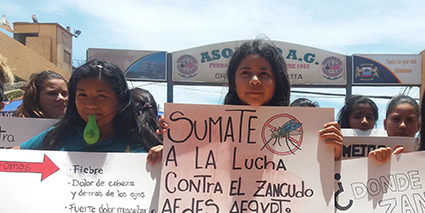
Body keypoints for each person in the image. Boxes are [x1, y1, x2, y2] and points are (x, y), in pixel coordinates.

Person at [147, 38, 293, 164]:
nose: (254, 80)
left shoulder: (303, 132)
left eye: (264, 73)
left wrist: (316, 145)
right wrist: (170, 152)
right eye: (245, 73)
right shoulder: (206, 131)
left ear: (277, 81)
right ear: (234, 81)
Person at [16, 59, 160, 152]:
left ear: (120, 102)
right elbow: (5, 160)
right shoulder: (56, 137)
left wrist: (164, 159)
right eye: (82, 95)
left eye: (101, 96)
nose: (90, 105)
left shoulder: (140, 149)